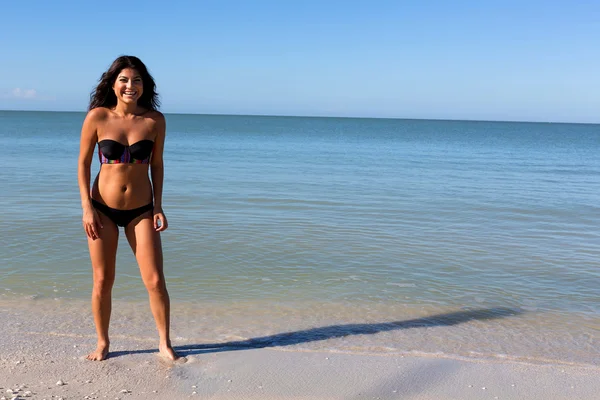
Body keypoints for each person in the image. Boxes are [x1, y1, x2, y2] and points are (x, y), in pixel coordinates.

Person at [77, 55, 179, 361]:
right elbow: (82, 164)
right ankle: (102, 343)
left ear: (144, 85)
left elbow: (157, 164)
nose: (130, 86)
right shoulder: (98, 117)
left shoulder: (154, 120)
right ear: (113, 83)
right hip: (102, 208)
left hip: (142, 209)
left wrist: (158, 206)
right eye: (123, 80)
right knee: (102, 280)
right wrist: (86, 208)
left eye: (136, 80)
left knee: (155, 280)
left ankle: (164, 342)